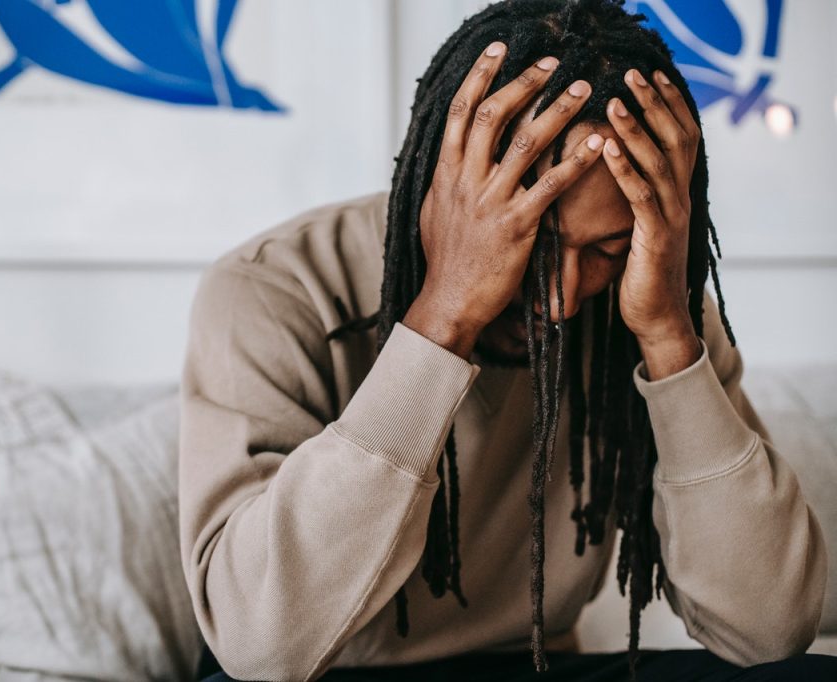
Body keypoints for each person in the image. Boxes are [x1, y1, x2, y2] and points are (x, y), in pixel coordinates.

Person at [177, 1, 834, 680]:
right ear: (441, 186)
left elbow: (770, 630)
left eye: (606, 248)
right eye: (531, 243)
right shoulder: (274, 289)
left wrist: (669, 339)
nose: (560, 298)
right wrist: (442, 320)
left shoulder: (648, 299)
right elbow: (260, 645)